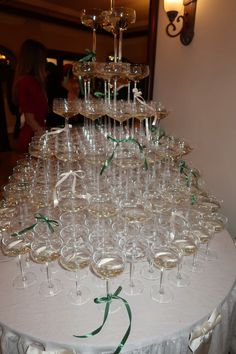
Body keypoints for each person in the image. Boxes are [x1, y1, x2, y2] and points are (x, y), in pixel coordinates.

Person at [12, 39, 48, 153]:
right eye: (43, 58)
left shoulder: (31, 81)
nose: (45, 61)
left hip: (36, 135)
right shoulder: (28, 81)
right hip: (33, 138)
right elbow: (30, 120)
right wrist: (46, 139)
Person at [45, 62, 68, 128]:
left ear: (48, 71)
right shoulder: (62, 88)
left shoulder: (46, 87)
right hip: (62, 116)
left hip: (52, 117)